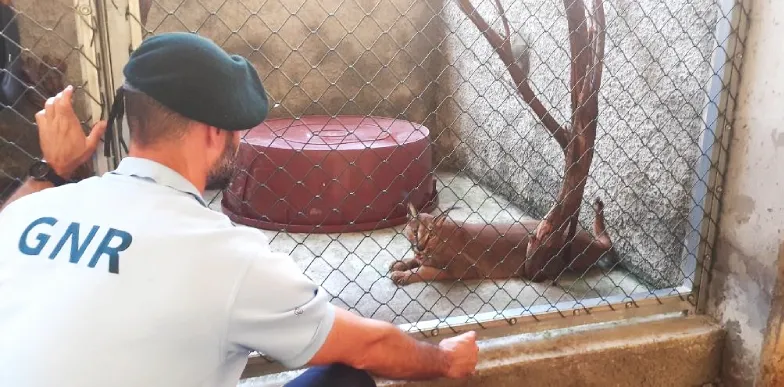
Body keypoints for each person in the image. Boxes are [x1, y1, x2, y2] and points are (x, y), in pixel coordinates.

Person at [0, 32, 478, 387]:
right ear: (213, 132)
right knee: (343, 379)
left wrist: (52, 170)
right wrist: (444, 359)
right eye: (238, 128)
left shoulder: (30, 214)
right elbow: (372, 344)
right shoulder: (227, 256)